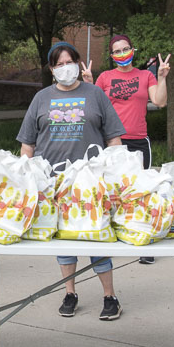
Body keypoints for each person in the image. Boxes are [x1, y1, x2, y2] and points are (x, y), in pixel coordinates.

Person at [19, 41, 127, 320]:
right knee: (64, 242)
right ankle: (70, 293)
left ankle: (110, 297)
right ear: (51, 69)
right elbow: (28, 144)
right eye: (59, 64)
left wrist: (117, 172)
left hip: (92, 183)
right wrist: (27, 176)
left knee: (96, 238)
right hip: (54, 182)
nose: (65, 68)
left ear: (78, 64)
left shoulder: (95, 94)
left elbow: (113, 138)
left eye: (69, 62)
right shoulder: (41, 98)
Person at [85, 34, 171, 265]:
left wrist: (161, 78)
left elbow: (160, 101)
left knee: (142, 192)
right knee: (111, 192)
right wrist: (89, 84)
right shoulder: (105, 77)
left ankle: (144, 241)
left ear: (133, 49)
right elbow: (94, 107)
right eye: (117, 51)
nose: (122, 54)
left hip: (138, 140)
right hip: (112, 141)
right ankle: (110, 237)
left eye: (125, 49)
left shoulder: (145, 76)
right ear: (112, 56)